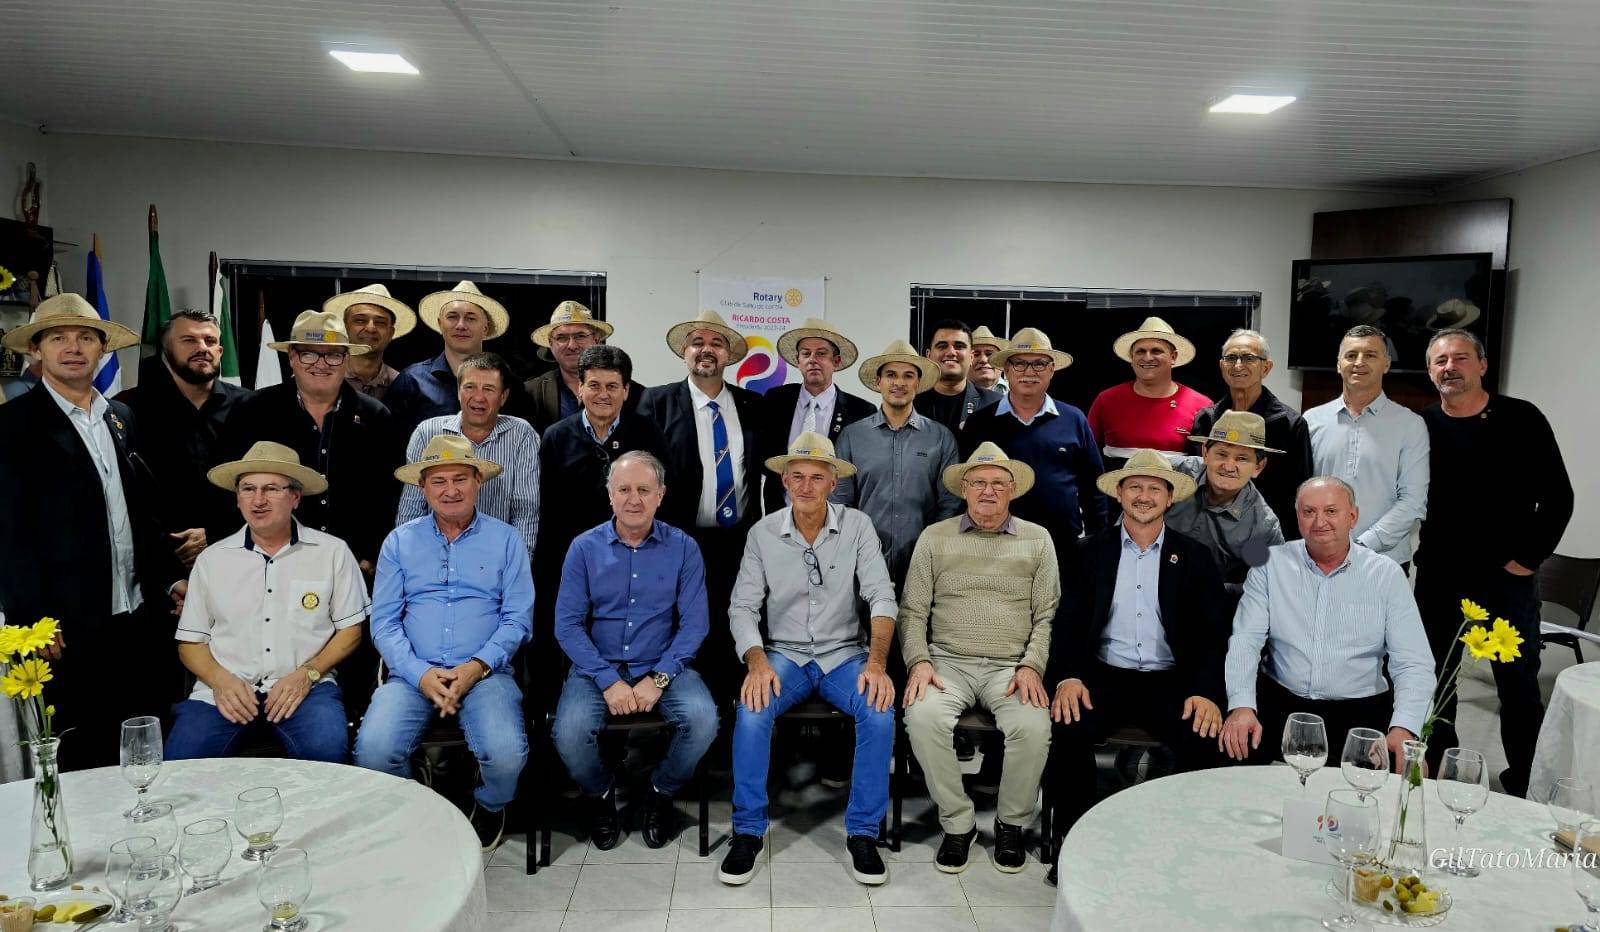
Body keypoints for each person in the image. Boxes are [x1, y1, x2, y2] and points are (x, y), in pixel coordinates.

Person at [0, 294, 186, 769]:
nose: (73, 348)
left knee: (145, 743)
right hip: (65, 626)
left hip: (136, 615)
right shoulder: (12, 426)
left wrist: (169, 579)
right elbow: (9, 534)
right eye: (58, 338)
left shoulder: (121, 417)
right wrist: (32, 620)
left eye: (85, 337)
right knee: (82, 754)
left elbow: (143, 514)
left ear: (103, 349)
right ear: (36, 350)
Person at [720, 432, 898, 887]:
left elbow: (881, 596)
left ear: (833, 483)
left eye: (817, 477)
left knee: (879, 712)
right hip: (785, 654)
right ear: (784, 480)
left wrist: (877, 664)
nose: (806, 486)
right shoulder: (762, 533)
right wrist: (757, 662)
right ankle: (747, 831)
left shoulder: (858, 526)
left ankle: (863, 832)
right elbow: (742, 607)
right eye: (797, 476)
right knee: (752, 710)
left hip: (844, 654)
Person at [1046, 450, 1229, 880]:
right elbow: (1068, 623)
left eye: (1154, 489)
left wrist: (1205, 691)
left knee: (1204, 737)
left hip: (1172, 680)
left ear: (1169, 498)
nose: (1144, 496)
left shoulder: (1196, 556)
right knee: (1068, 728)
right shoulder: (1090, 552)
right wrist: (1069, 676)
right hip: (1105, 674)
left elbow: (1214, 634)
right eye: (1135, 487)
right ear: (1120, 494)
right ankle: (1072, 849)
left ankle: (1183, 849)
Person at [354, 435, 534, 853]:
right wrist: (419, 674)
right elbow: (384, 623)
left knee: (506, 755)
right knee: (373, 755)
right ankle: (420, 807)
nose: (450, 490)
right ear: (423, 487)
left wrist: (476, 667)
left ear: (477, 482)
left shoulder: (507, 540)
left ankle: (489, 804)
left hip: (487, 673)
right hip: (412, 674)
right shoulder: (399, 542)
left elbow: (518, 618)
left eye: (460, 479)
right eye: (438, 481)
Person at [1415, 328, 1573, 796]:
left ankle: (1528, 784)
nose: (1450, 367)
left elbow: (1558, 497)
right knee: (1435, 681)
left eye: (1460, 358)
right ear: (1430, 371)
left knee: (1518, 687)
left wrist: (1527, 559)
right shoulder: (1420, 425)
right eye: (1440, 361)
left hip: (1506, 581)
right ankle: (1442, 775)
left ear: (1482, 365)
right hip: (1439, 578)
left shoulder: (1521, 418)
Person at [899, 443, 1059, 875]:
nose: (988, 491)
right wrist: (919, 662)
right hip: (946, 662)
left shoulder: (1038, 539)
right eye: (979, 483)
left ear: (1012, 490)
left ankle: (1011, 823)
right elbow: (912, 611)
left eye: (998, 484)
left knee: (1033, 726)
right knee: (922, 717)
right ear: (964, 489)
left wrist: (1032, 665)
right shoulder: (935, 537)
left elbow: (1047, 614)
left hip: (1010, 666)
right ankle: (958, 823)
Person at [552, 451, 717, 850]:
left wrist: (659, 679)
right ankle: (601, 793)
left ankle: (661, 792)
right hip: (597, 666)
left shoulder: (684, 548)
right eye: (624, 489)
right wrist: (608, 681)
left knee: (703, 719)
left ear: (661, 495)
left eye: (644, 490)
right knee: (569, 733)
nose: (634, 499)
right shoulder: (583, 548)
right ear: (609, 495)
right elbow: (567, 625)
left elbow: (695, 625)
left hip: (662, 663)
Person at [167, 442, 367, 762]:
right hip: (223, 691)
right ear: (237, 498)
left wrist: (308, 674)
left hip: (306, 688)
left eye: (271, 489)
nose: (258, 500)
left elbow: (351, 630)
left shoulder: (332, 552)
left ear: (295, 497)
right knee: (181, 764)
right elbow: (190, 643)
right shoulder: (212, 560)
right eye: (248, 489)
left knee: (327, 753)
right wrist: (220, 680)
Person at [1219, 477, 1436, 771]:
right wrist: (1242, 705)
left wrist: (1404, 728)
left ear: (1353, 517)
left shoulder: (1386, 575)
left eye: (1331, 511)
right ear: (1297, 517)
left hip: (1359, 713)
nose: (1320, 522)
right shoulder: (1270, 565)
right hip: (1280, 702)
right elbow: (1246, 640)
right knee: (1227, 765)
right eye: (1309, 512)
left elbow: (1413, 662)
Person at [214, 309, 403, 569]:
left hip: (351, 565)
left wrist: (370, 554)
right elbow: (226, 491)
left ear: (346, 359)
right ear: (292, 357)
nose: (321, 364)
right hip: (266, 563)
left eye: (333, 355)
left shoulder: (375, 416)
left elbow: (388, 495)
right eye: (309, 354)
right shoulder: (251, 411)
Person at [638, 310, 761, 707]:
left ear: (729, 355)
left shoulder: (752, 404)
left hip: (738, 542)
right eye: (698, 343)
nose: (706, 350)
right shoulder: (655, 402)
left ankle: (730, 717)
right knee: (681, 630)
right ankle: (682, 715)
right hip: (678, 541)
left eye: (716, 343)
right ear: (685, 352)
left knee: (734, 629)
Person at [535, 345, 667, 713]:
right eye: (594, 385)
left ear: (626, 390)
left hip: (634, 561)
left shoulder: (648, 434)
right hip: (573, 564)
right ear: (579, 388)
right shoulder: (556, 437)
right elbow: (547, 510)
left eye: (612, 386)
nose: (603, 395)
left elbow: (661, 500)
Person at [959, 327, 1106, 571]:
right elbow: (963, 488)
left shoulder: (1074, 419)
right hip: (995, 546)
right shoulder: (980, 423)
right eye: (1019, 364)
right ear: (1006, 369)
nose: (1029, 372)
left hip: (1064, 548)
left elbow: (1094, 489)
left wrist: (1097, 541)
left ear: (1052, 369)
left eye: (1039, 364)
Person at [117, 308, 248, 569]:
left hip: (238, 553)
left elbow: (263, 482)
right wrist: (163, 552)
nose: (202, 348)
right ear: (166, 351)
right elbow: (127, 490)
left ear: (220, 351)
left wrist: (215, 534)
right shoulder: (129, 408)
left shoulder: (251, 406)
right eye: (189, 340)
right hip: (155, 560)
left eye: (210, 341)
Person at [833, 338, 961, 587]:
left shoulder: (941, 438)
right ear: (878, 382)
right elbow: (840, 502)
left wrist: (932, 549)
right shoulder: (852, 436)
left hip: (924, 564)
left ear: (918, 383)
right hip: (862, 563)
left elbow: (950, 504)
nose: (899, 383)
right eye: (891, 375)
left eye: (908, 376)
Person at [1304, 324, 1430, 568]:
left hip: (1384, 563)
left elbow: (1412, 501)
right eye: (1351, 355)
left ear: (1387, 364)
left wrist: (1360, 547)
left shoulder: (1410, 425)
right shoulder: (1311, 421)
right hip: (1318, 560)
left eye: (1370, 355)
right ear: (1339, 364)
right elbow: (1301, 494)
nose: (1359, 362)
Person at [397, 353, 540, 558]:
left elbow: (525, 509)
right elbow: (411, 508)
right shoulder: (427, 433)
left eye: (488, 389)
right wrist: (410, 562)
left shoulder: (521, 434)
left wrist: (517, 566)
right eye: (470, 387)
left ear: (503, 396)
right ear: (458, 391)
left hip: (496, 559)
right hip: (433, 558)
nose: (478, 397)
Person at [1188, 328, 1313, 534]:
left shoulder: (1290, 424)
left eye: (1248, 358)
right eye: (1231, 358)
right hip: (1208, 532)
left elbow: (1301, 492)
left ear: (1266, 367)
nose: (1238, 365)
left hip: (1265, 535)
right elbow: (1195, 481)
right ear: (1221, 366)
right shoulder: (1206, 419)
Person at [756, 317, 874, 513]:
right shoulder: (775, 401)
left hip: (835, 517)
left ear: (836, 361)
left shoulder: (860, 411)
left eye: (821, 353)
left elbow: (861, 472)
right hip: (779, 514)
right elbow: (762, 457)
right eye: (806, 354)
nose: (813, 360)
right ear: (798, 361)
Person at [1165, 410, 1286, 594]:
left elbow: (1271, 583)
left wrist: (1217, 591)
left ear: (1258, 467)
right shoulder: (1170, 474)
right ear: (1205, 453)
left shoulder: (1262, 527)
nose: (1229, 466)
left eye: (1242, 458)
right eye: (1221, 454)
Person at [387, 280, 530, 432]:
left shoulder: (509, 383)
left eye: (471, 318)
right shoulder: (412, 380)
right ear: (440, 324)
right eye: (452, 317)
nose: (461, 325)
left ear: (485, 328)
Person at [1087, 316, 1212, 466]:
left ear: (1173, 357)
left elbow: (1209, 464)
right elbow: (1087, 457)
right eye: (1140, 351)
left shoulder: (1201, 406)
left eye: (1156, 351)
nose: (1147, 358)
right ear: (1132, 358)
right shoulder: (1106, 400)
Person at [525, 300, 647, 432]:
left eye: (580, 336)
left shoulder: (637, 394)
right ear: (550, 343)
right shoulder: (530, 392)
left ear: (596, 339)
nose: (572, 346)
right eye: (561, 338)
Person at [325, 283, 417, 401]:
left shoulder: (403, 384)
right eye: (360, 320)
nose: (370, 328)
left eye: (380, 322)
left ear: (391, 333)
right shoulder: (321, 375)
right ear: (345, 328)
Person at [913, 319, 1001, 433]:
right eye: (942, 346)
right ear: (928, 356)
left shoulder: (996, 405)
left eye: (959, 346)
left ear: (971, 357)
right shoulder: (910, 404)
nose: (951, 352)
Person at [968, 325, 1006, 393]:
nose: (983, 360)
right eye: (976, 354)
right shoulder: (951, 393)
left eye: (989, 354)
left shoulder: (1019, 392)